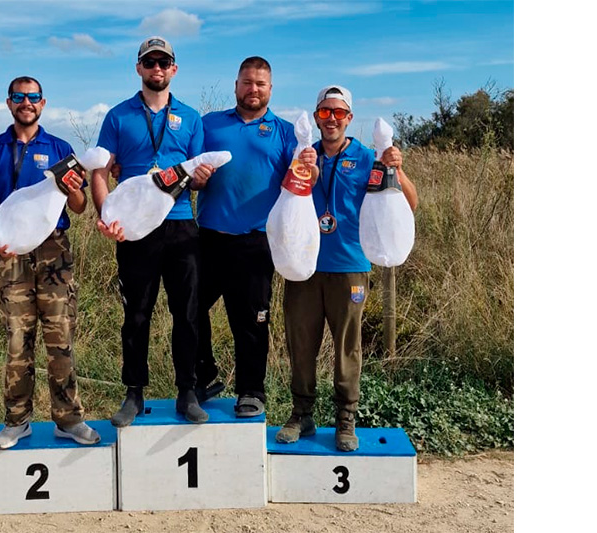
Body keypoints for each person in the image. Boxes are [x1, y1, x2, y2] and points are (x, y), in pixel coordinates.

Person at [275, 85, 418, 451]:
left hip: (350, 266)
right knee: (301, 344)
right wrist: (301, 170)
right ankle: (301, 415)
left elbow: (410, 204)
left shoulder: (370, 157)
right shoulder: (303, 155)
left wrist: (397, 171)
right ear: (317, 117)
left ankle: (345, 419)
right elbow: (286, 201)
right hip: (304, 266)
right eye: (324, 113)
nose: (331, 119)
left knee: (347, 348)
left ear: (349, 118)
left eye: (338, 113)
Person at [0, 76, 101, 449]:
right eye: (19, 97)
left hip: (54, 250)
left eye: (33, 97)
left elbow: (79, 206)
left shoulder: (60, 147)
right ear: (9, 103)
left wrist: (75, 190)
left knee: (60, 338)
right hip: (10, 253)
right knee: (17, 341)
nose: (27, 102)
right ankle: (17, 421)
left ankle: (68, 420)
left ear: (43, 103)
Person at [91, 37, 214, 427]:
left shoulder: (192, 118)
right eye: (150, 62)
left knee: (188, 314)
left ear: (174, 69)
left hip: (180, 225)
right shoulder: (117, 116)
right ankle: (133, 394)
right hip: (135, 229)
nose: (157, 68)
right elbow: (99, 170)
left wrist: (202, 179)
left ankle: (188, 392)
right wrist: (106, 214)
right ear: (139, 68)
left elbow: (197, 180)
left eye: (164, 62)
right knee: (137, 315)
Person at [194, 56, 318, 418]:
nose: (253, 89)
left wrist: (308, 169)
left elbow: (301, 186)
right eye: (247, 82)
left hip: (257, 241)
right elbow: (187, 166)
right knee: (189, 308)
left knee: (251, 321)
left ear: (270, 89)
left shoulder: (283, 132)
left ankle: (251, 391)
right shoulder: (208, 125)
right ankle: (203, 377)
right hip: (209, 237)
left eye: (260, 84)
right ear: (236, 85)